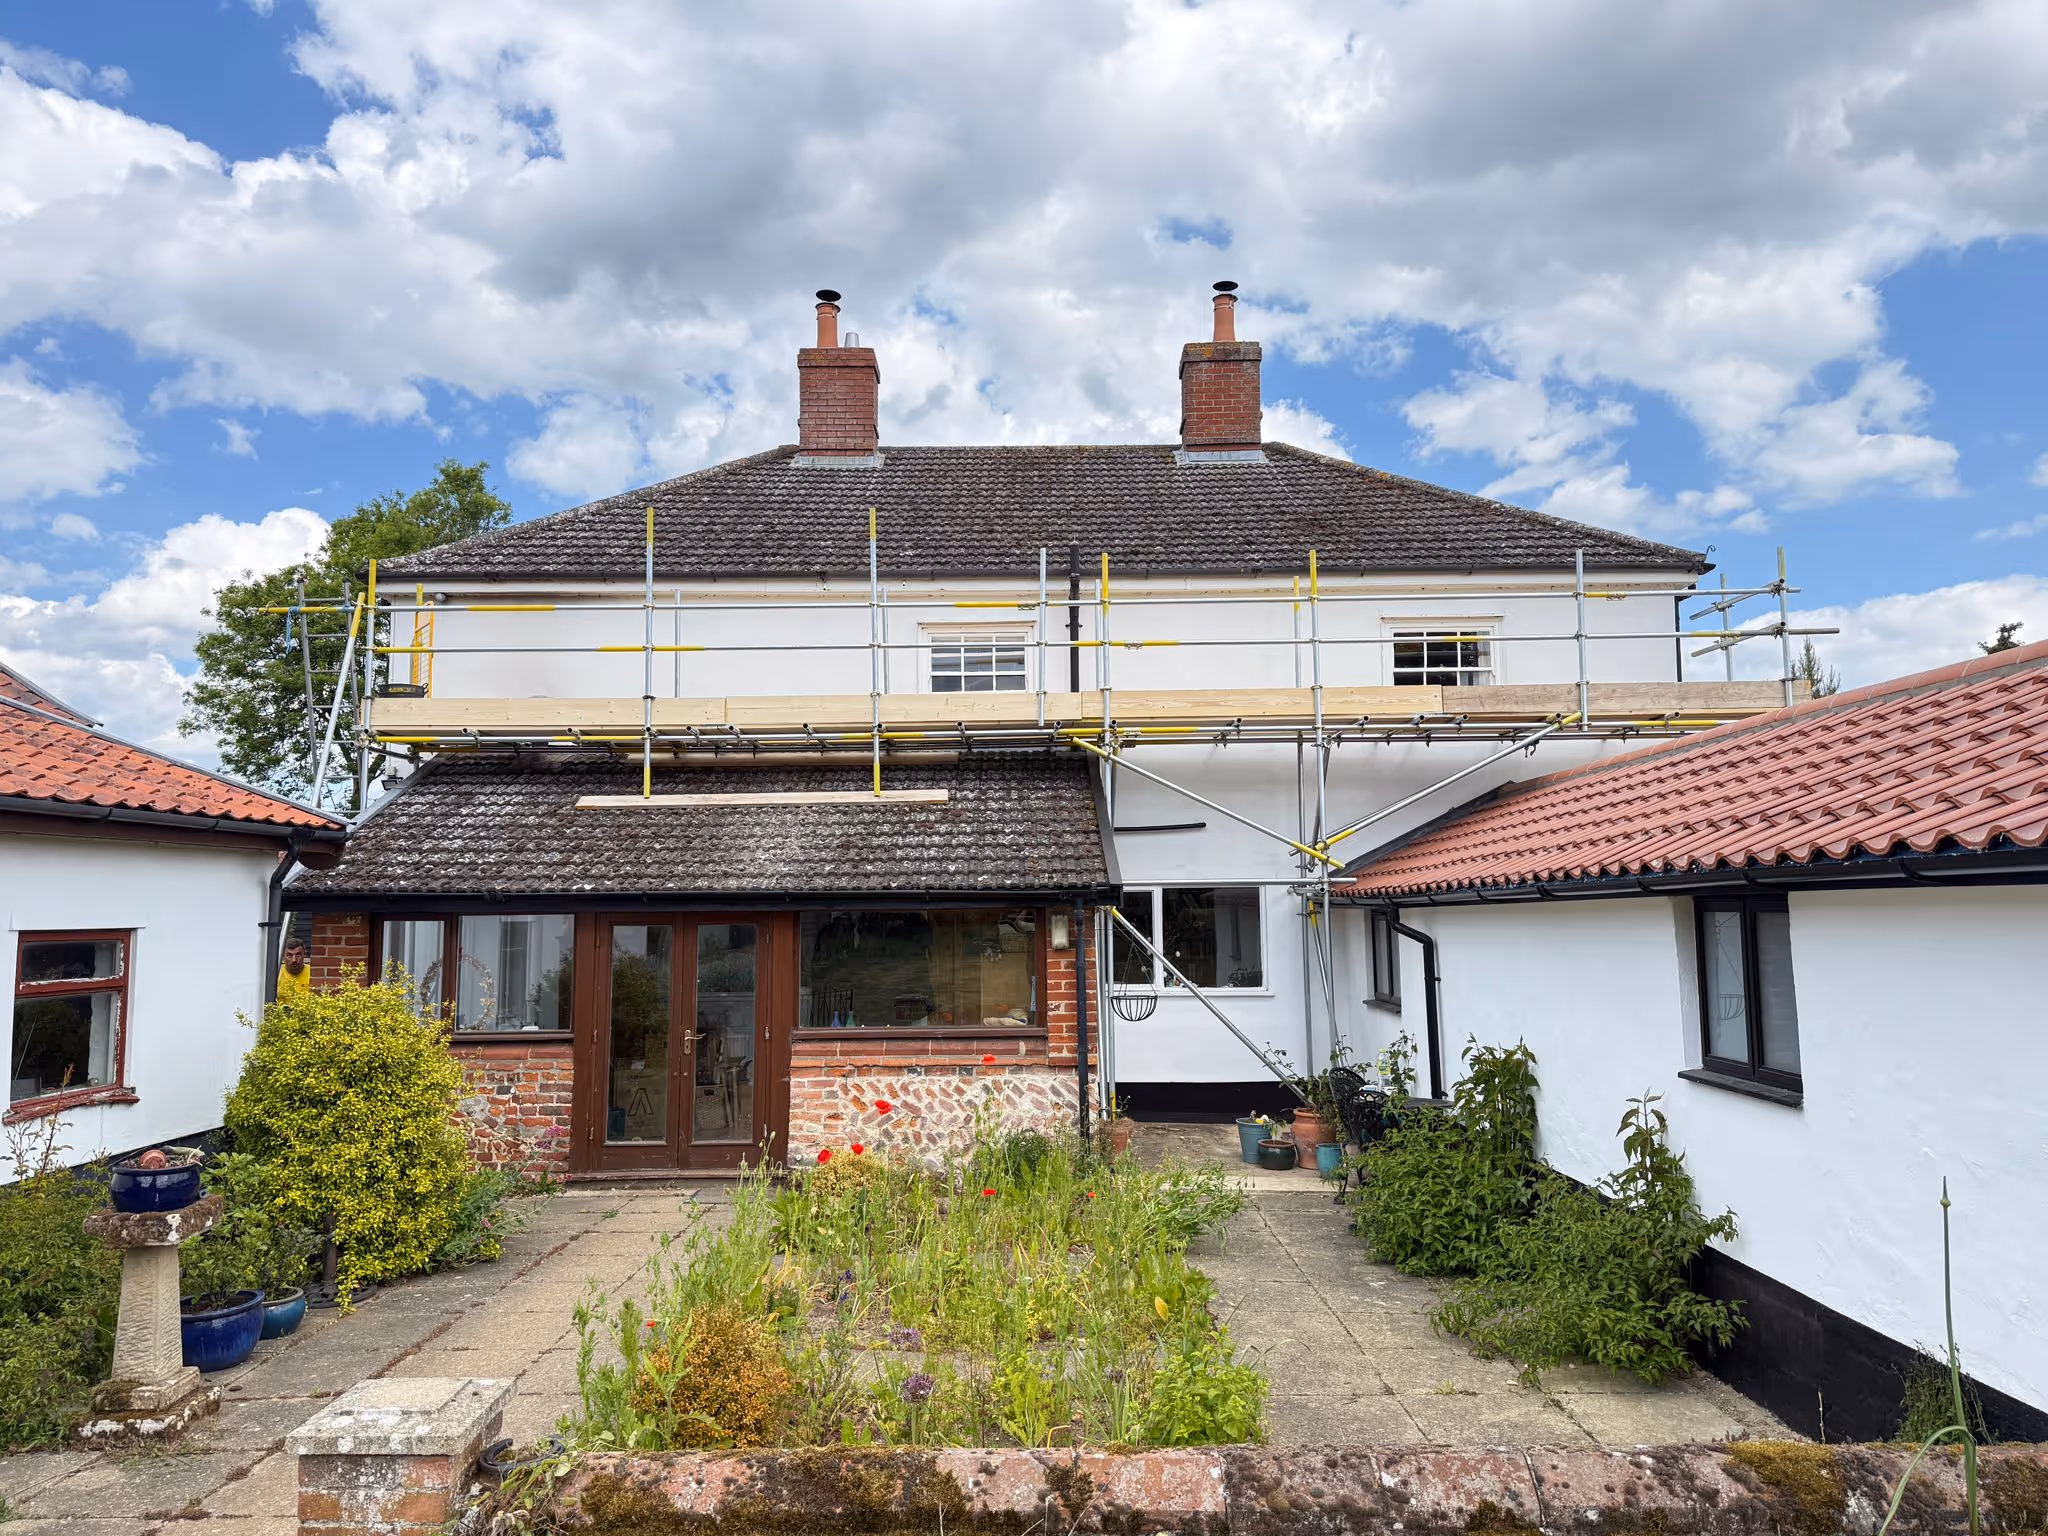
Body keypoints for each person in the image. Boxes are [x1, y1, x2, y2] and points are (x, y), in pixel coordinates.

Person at [277, 937, 312, 1001]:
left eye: (298, 955)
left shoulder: (312, 973)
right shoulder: (276, 973)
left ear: (305, 955)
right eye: (289, 955)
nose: (294, 960)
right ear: (283, 956)